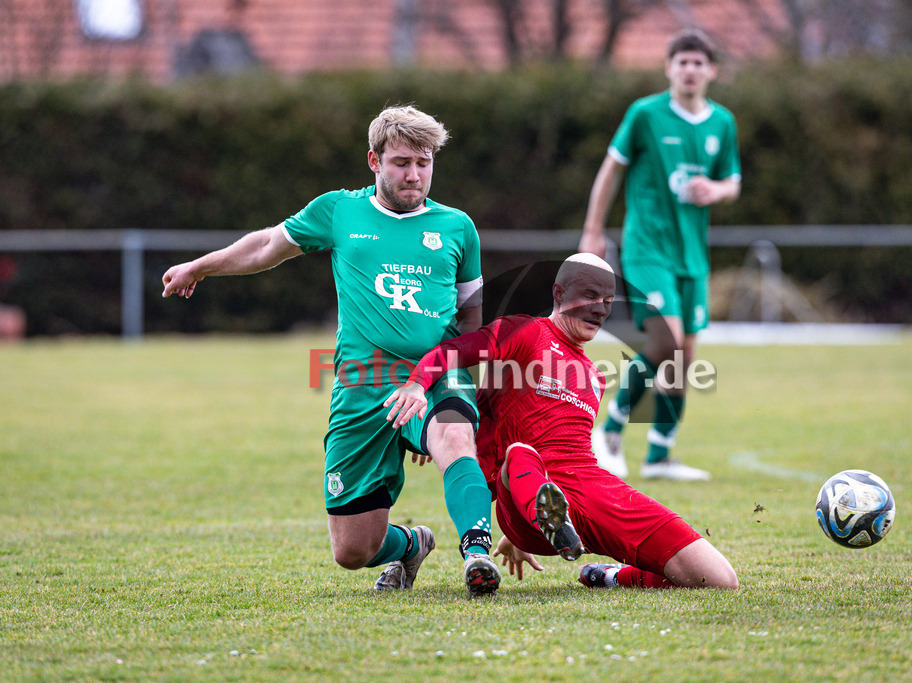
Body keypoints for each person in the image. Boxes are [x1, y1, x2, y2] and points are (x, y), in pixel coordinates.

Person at [161, 105, 502, 596]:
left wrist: (429, 389)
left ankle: (475, 553)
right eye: (402, 163)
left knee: (452, 438)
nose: (414, 175)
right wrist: (201, 267)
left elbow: (473, 324)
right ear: (374, 161)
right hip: (362, 384)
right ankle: (411, 545)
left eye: (424, 163)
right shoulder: (339, 211)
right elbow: (265, 247)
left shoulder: (457, 227)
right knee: (352, 551)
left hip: (434, 376)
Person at [385, 254, 738, 590]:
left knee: (718, 578)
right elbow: (453, 353)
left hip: (589, 490)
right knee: (521, 453)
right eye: (590, 295)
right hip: (523, 493)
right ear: (559, 293)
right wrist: (420, 391)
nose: (600, 308)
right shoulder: (523, 332)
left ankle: (609, 576)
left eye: (608, 300)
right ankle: (545, 514)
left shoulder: (594, 378)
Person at [579, 28, 741, 481]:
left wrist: (717, 189)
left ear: (711, 71)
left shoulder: (721, 123)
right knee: (666, 339)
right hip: (647, 248)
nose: (689, 70)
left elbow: (733, 181)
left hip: (692, 255)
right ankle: (609, 428)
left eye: (698, 63)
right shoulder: (646, 114)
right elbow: (611, 170)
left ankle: (660, 455)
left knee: (684, 354)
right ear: (668, 68)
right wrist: (593, 230)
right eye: (681, 62)